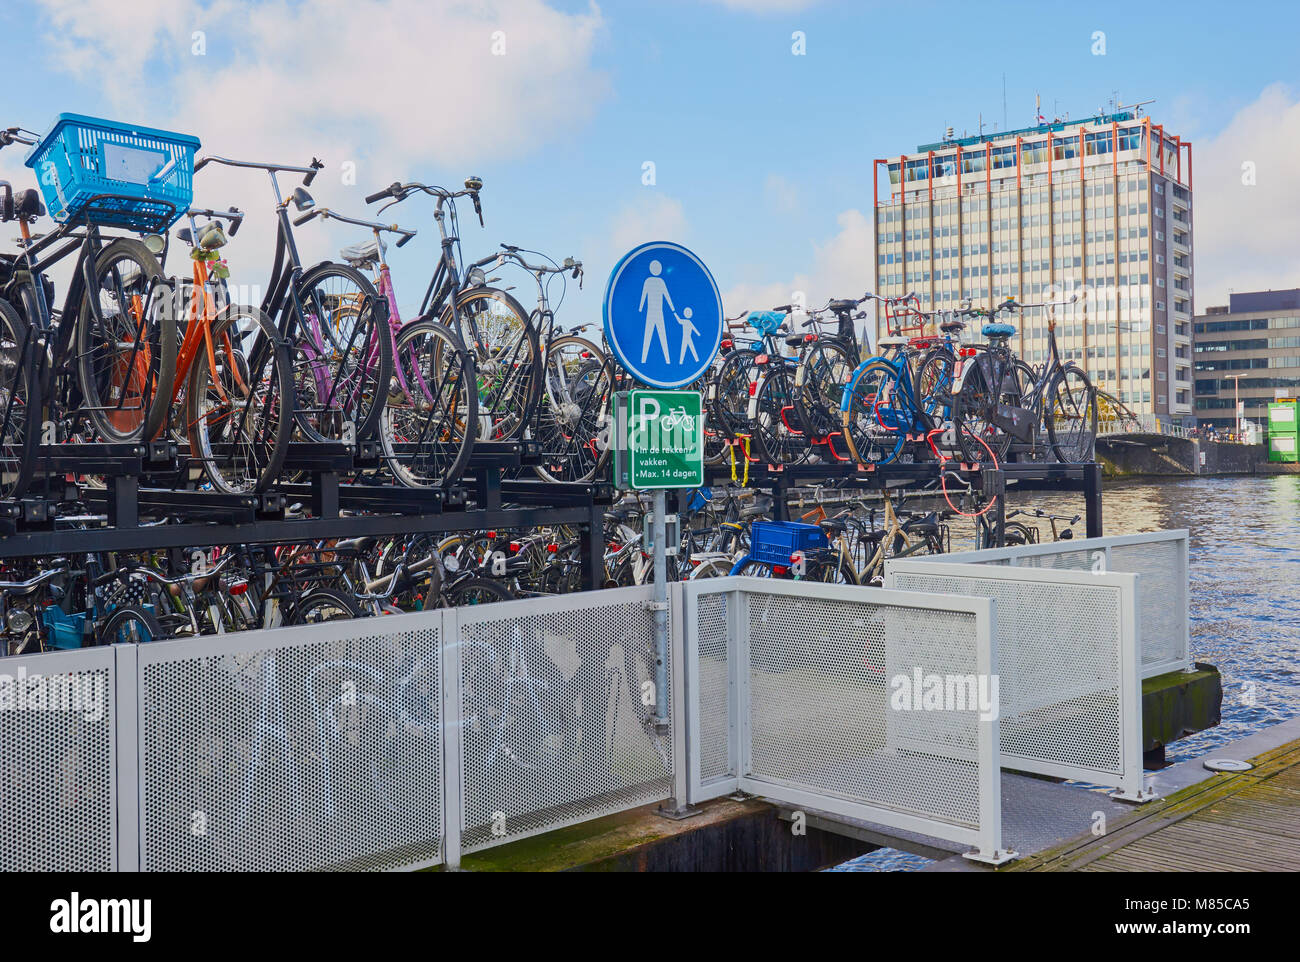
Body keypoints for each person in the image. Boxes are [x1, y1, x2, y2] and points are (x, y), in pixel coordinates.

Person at [638, 260, 675, 365]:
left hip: (657, 312)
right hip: (654, 312)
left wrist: (672, 308)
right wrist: (640, 308)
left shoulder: (657, 281)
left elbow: (666, 296)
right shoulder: (652, 281)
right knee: (652, 335)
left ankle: (667, 359)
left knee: (660, 335)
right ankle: (645, 359)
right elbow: (644, 295)